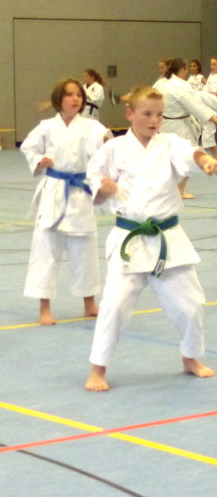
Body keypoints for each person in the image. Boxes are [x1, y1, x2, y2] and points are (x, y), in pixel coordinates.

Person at [83, 87, 217, 392]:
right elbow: (92, 178)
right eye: (146, 114)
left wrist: (206, 162)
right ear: (130, 114)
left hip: (167, 238)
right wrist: (103, 187)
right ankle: (98, 369)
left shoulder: (169, 143)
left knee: (190, 304)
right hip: (129, 239)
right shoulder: (114, 148)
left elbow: (191, 153)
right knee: (114, 306)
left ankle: (190, 358)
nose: (154, 120)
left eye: (159, 115)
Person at [22, 78, 111, 325]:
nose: (75, 99)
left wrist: (108, 142)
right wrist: (39, 160)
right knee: (45, 249)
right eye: (69, 95)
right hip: (54, 191)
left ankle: (89, 303)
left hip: (80, 192)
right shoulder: (46, 127)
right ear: (59, 99)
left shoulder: (91, 126)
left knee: (85, 249)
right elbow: (29, 147)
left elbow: (105, 143)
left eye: (79, 95)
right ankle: (44, 308)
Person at [155, 58, 217, 198]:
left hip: (164, 124)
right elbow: (194, 104)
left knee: (168, 159)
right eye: (185, 69)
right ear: (181, 69)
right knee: (187, 156)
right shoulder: (180, 86)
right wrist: (212, 118)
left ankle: (169, 189)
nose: (186, 72)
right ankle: (180, 190)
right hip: (180, 127)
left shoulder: (162, 84)